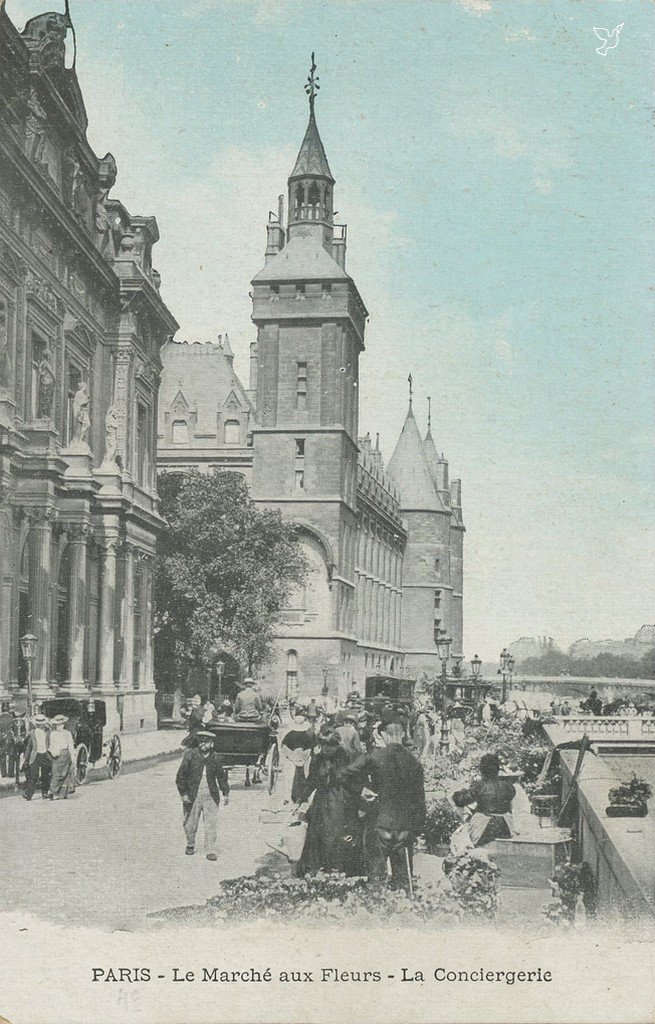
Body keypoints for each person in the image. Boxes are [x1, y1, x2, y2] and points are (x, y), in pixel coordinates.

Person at [341, 718, 426, 892]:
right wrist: (416, 829)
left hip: (379, 823)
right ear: (403, 734)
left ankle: (375, 908)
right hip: (404, 827)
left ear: (383, 735)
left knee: (376, 878)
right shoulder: (415, 763)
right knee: (403, 882)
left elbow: (344, 774)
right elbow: (420, 799)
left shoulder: (374, 756)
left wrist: (360, 790)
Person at [296, 726, 363, 878]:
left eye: (328, 746)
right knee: (319, 834)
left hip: (340, 801)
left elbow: (354, 781)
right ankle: (320, 869)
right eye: (323, 745)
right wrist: (302, 798)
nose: (325, 749)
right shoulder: (318, 758)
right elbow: (312, 781)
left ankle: (339, 869)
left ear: (335, 744)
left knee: (339, 835)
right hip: (322, 801)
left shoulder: (346, 757)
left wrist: (357, 799)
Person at [175, 730, 230, 860]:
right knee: (190, 822)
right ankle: (190, 844)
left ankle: (210, 849)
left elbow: (221, 777)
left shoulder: (216, 758)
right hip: (193, 794)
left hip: (211, 794)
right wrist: (183, 794)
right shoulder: (190, 755)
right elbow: (180, 777)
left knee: (211, 823)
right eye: (201, 742)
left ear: (212, 744)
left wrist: (225, 792)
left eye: (206, 742)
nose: (203, 744)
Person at [452, 753, 516, 847]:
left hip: (485, 826)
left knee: (459, 836)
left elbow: (461, 801)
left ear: (482, 770)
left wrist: (457, 793)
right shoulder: (508, 786)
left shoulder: (481, 785)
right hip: (506, 825)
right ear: (498, 769)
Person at [281, 707, 315, 803]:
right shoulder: (307, 735)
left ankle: (288, 797)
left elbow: (284, 746)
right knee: (300, 775)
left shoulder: (289, 735)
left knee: (289, 777)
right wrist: (300, 758)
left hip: (296, 757)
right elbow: (310, 748)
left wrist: (294, 757)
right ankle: (299, 796)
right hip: (299, 757)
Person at [23, 714, 52, 800]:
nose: (41, 725)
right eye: (39, 724)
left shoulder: (48, 732)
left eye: (42, 723)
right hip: (35, 756)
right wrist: (26, 759)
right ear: (36, 724)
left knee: (45, 775)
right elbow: (29, 747)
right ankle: (29, 794)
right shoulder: (32, 733)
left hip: (45, 755)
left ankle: (45, 793)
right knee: (33, 776)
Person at [47, 715, 76, 799]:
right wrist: (53, 752)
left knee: (65, 774)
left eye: (61, 724)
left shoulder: (67, 733)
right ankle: (53, 791)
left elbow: (70, 745)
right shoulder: (53, 734)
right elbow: (51, 744)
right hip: (56, 755)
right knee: (56, 774)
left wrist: (73, 757)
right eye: (58, 725)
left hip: (65, 754)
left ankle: (62, 793)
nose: (60, 726)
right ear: (55, 725)